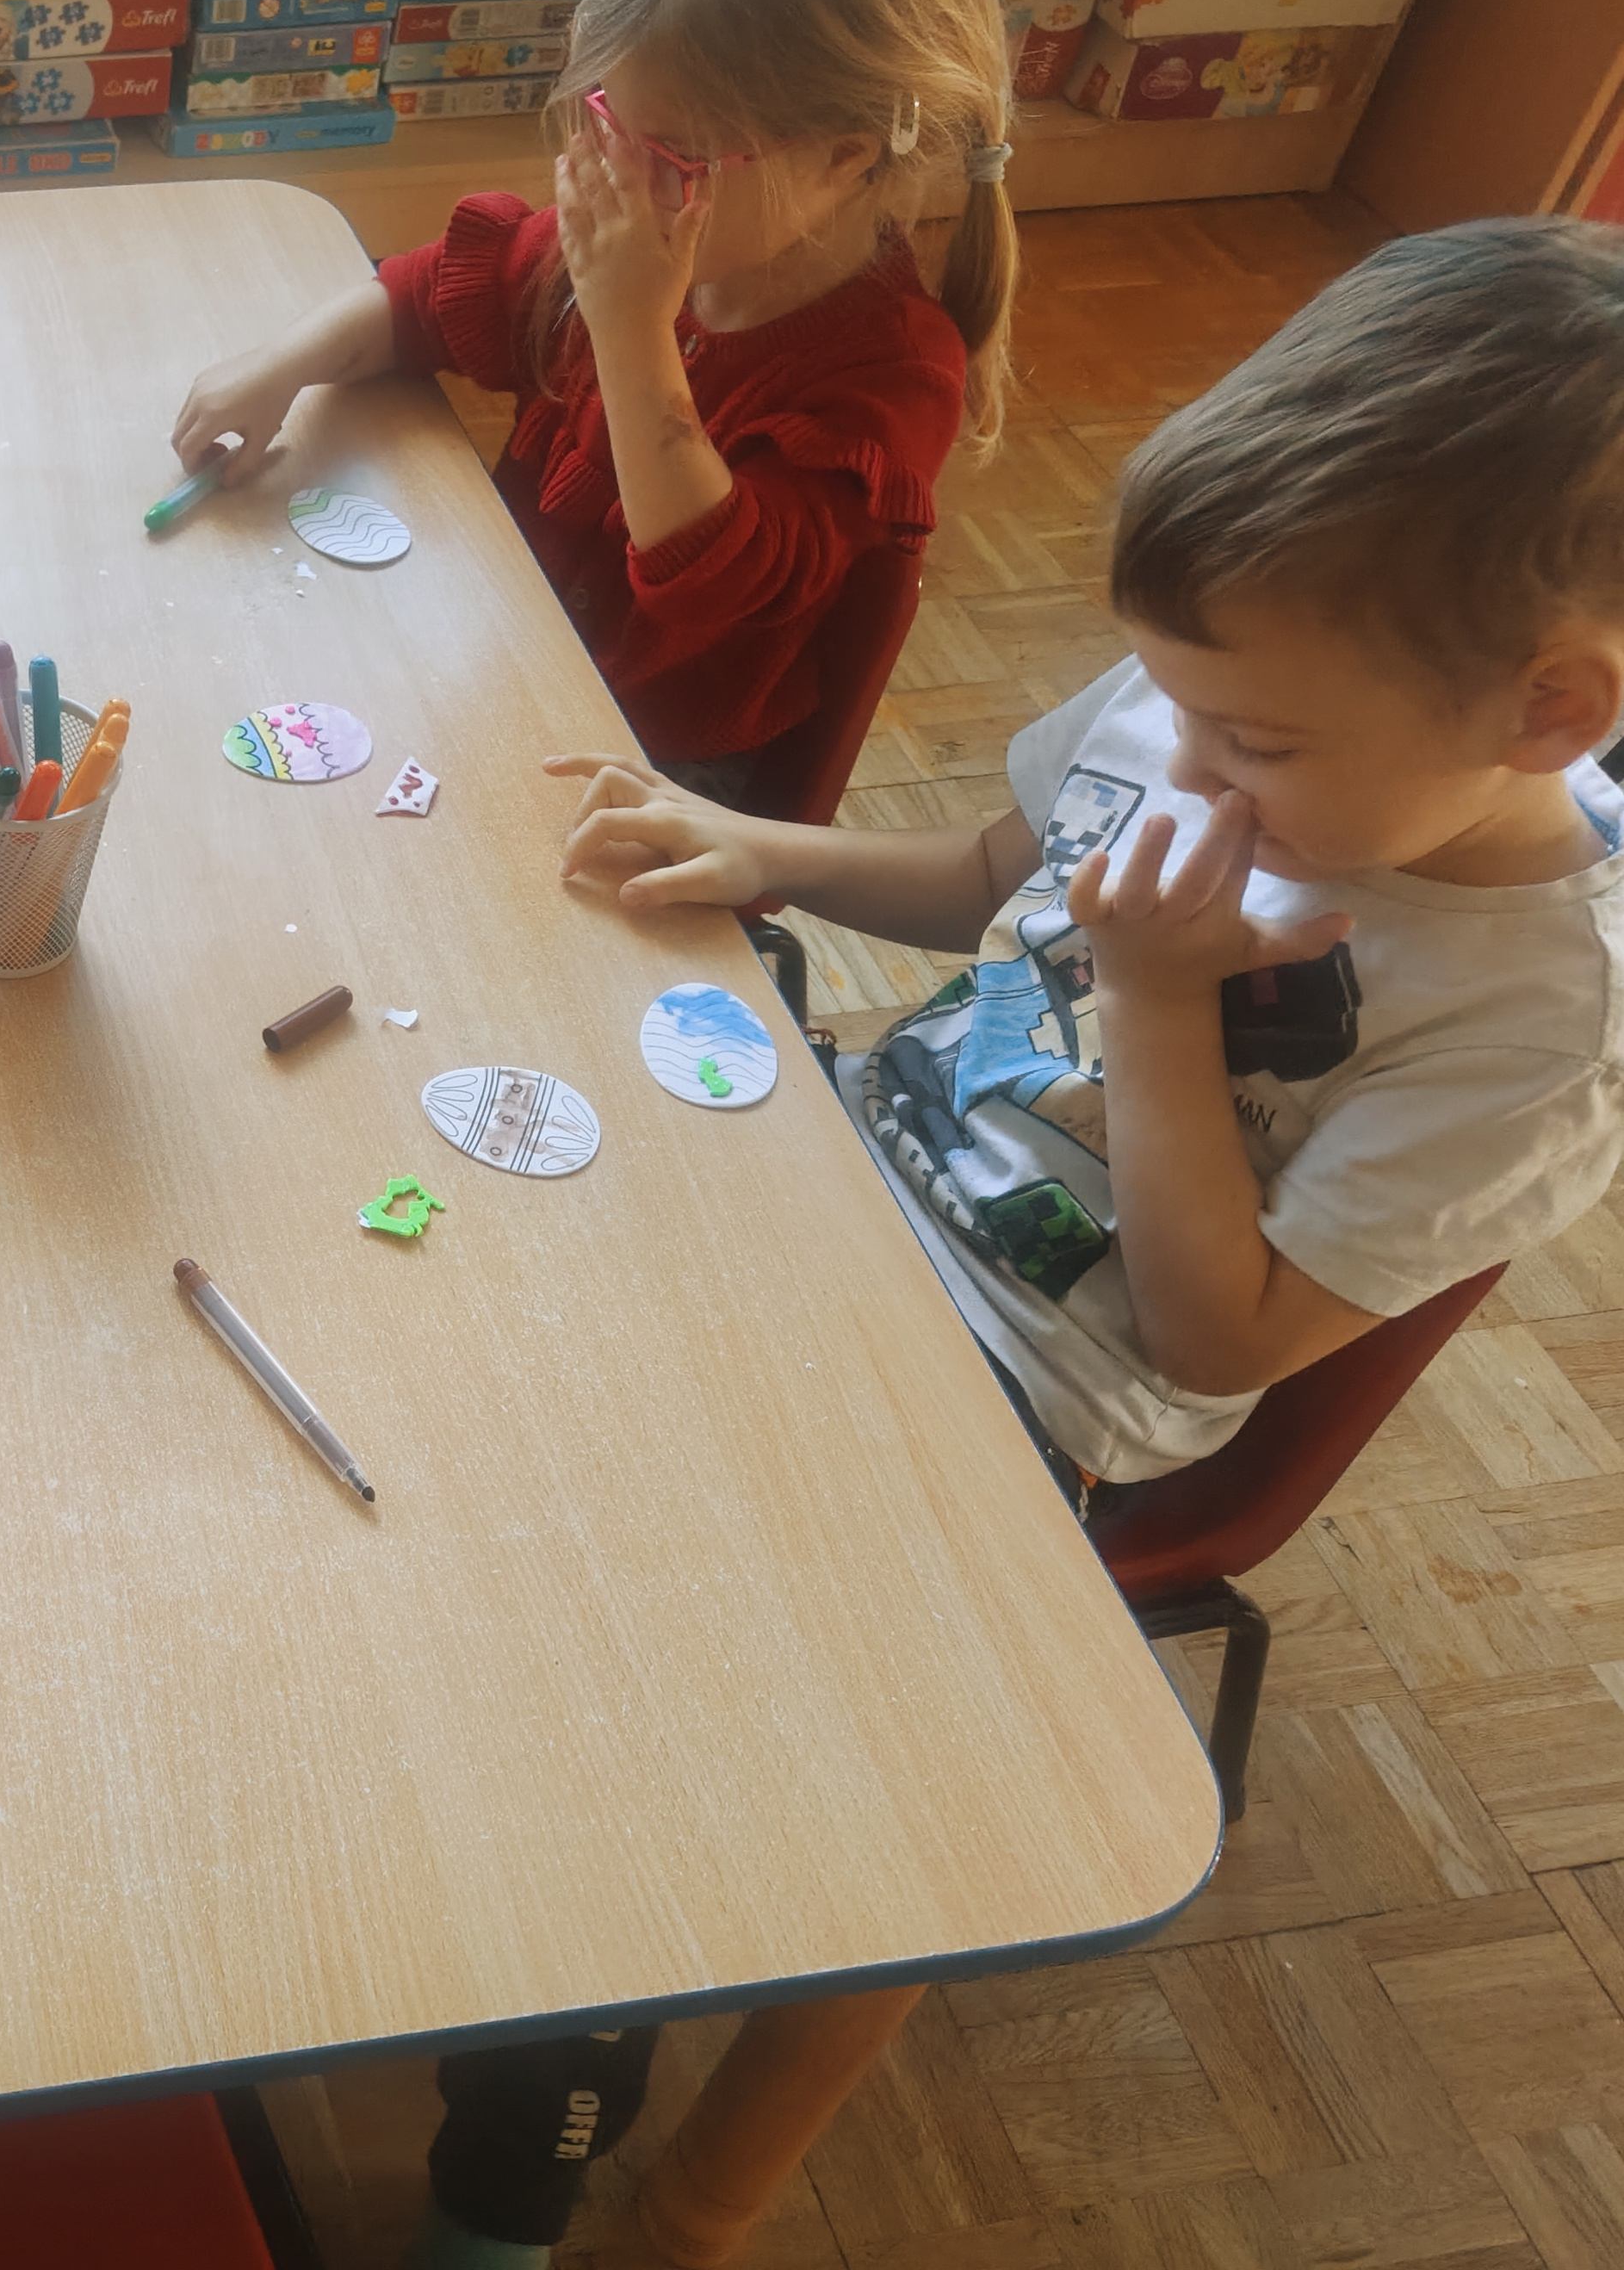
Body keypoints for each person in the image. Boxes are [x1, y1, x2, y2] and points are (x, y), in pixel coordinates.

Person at [555, 214, 1624, 1496]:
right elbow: (993, 880)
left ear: (1548, 711)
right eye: (1175, 705)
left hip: (1012, 1380)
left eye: (1253, 746)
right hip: (852, 1164)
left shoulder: (1541, 1034)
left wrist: (1157, 1001)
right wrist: (758, 846)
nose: (1185, 766)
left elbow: (1216, 1344)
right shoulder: (1233, 678)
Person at [173, 0, 1018, 810]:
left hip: (661, 772)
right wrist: (280, 365)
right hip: (518, 649)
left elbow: (712, 580)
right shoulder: (652, 233)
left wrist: (630, 325)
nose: (613, 171)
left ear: (841, 158)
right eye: (608, 116)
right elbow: (432, 294)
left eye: (670, 155)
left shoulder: (892, 375)